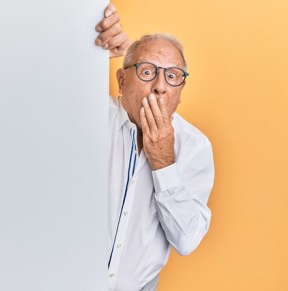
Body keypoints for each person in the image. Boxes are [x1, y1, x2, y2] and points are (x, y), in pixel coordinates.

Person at [95, 5, 214, 291]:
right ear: (122, 80)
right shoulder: (91, 119)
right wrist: (85, 49)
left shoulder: (195, 146)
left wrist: (164, 162)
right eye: (147, 71)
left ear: (180, 93)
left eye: (173, 76)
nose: (160, 86)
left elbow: (186, 240)